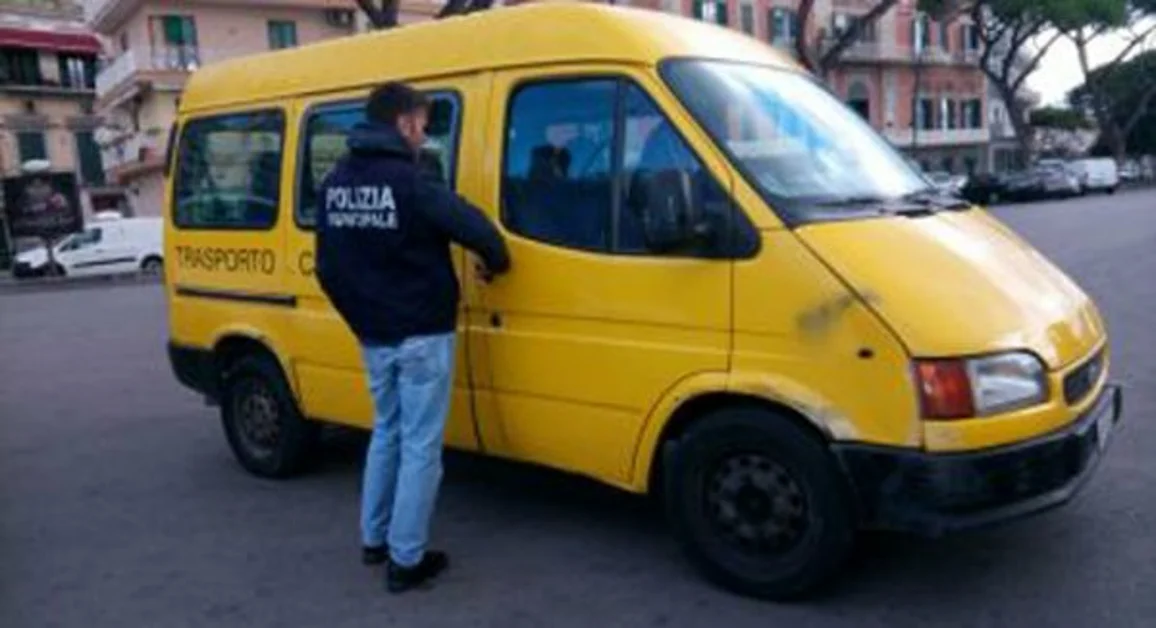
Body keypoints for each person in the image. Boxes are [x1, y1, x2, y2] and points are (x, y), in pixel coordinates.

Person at [315, 81, 510, 593]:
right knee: (421, 446)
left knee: (387, 432)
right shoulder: (411, 182)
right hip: (421, 333)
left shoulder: (335, 181)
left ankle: (374, 540)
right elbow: (477, 229)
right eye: (422, 125)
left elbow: (327, 269)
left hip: (374, 335)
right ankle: (407, 559)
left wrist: (363, 319)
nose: (424, 136)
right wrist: (497, 262)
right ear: (403, 123)